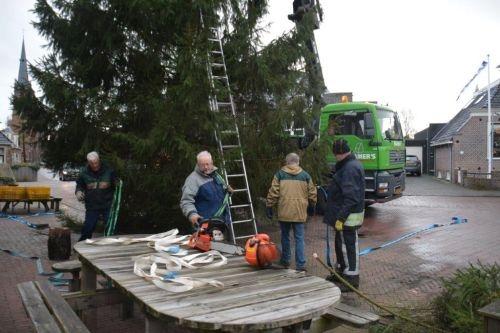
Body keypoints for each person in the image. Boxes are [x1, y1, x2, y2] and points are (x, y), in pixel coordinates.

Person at [323, 139, 365, 291]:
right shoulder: (348, 165)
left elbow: (351, 197)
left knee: (348, 247)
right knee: (340, 245)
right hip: (343, 216)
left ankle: (351, 279)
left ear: (339, 153)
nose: (335, 158)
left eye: (335, 155)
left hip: (347, 218)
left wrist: (341, 218)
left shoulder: (349, 169)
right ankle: (341, 272)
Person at [266, 153, 317, 271]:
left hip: (285, 211)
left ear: (287, 162)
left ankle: (285, 260)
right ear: (298, 162)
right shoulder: (305, 176)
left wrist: (269, 205)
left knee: (285, 237)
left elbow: (274, 192)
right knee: (299, 238)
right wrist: (312, 205)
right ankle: (301, 264)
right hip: (299, 212)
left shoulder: (279, 174)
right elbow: (312, 192)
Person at [180, 151, 232, 237]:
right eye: (202, 165)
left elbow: (218, 196)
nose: (206, 167)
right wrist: (192, 214)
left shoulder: (216, 175)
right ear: (198, 164)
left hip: (221, 223)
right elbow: (186, 201)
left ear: (212, 163)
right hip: (204, 225)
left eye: (208, 164)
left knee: (222, 248)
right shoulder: (193, 180)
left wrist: (228, 192)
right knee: (205, 249)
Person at [76, 151, 117, 241]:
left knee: (110, 226)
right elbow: (79, 185)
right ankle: (82, 246)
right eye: (92, 163)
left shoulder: (109, 171)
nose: (94, 165)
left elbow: (116, 186)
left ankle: (112, 245)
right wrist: (78, 192)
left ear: (99, 160)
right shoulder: (84, 173)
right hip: (92, 205)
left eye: (96, 163)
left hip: (107, 204)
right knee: (88, 227)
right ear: (88, 162)